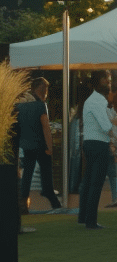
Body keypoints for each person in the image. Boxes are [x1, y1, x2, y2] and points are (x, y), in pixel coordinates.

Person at [78, 71, 117, 229]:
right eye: (105, 81)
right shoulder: (98, 100)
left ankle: (83, 217)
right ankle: (91, 221)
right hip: (98, 144)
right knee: (96, 183)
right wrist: (116, 125)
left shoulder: (93, 99)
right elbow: (106, 125)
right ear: (97, 82)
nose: (108, 83)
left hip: (90, 143)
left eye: (109, 80)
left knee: (88, 182)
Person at [17, 77, 62, 213]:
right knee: (46, 174)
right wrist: (50, 147)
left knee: (27, 175)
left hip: (27, 145)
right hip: (41, 145)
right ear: (42, 88)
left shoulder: (20, 105)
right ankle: (54, 202)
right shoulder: (40, 105)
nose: (47, 91)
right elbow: (45, 126)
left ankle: (23, 204)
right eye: (46, 88)